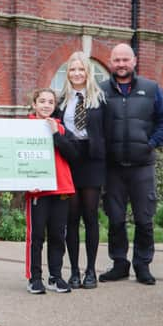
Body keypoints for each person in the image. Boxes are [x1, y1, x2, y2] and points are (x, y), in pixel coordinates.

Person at [99, 43, 163, 285]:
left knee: (144, 218)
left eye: (125, 59)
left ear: (134, 61)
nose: (121, 64)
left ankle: (143, 265)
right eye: (117, 60)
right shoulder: (100, 91)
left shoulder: (151, 89)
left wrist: (151, 144)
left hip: (143, 166)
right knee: (116, 218)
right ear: (111, 63)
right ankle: (119, 264)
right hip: (113, 168)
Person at [59, 52, 106, 289]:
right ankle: (74, 272)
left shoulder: (99, 99)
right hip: (70, 159)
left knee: (90, 218)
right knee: (72, 218)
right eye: (72, 70)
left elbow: (107, 131)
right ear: (67, 73)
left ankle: (90, 271)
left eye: (81, 69)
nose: (77, 74)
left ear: (88, 72)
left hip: (92, 160)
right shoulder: (61, 100)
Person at [25, 88, 77, 294]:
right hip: (37, 191)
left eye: (50, 102)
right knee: (36, 236)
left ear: (55, 106)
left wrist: (56, 133)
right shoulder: (23, 127)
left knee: (57, 235)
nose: (46, 105)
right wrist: (24, 182)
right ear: (34, 104)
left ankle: (55, 276)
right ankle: (34, 278)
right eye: (42, 101)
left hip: (61, 188)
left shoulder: (62, 129)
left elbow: (73, 154)